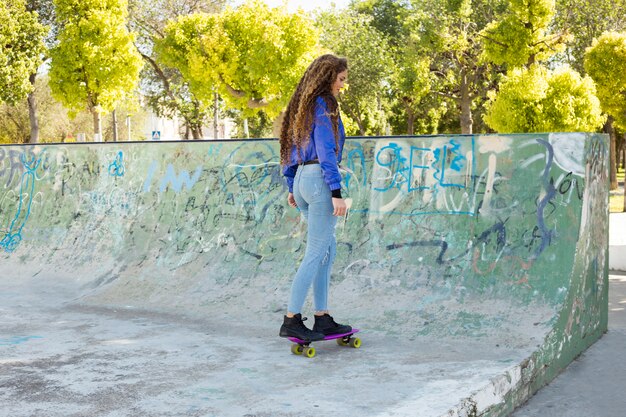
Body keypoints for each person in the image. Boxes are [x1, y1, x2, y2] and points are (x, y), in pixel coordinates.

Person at [278, 54, 352, 342]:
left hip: (301, 181)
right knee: (316, 252)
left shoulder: (302, 107)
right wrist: (336, 192)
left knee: (326, 251)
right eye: (341, 79)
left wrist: (291, 185)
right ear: (328, 78)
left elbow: (288, 150)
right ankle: (292, 318)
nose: (343, 86)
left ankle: (322, 318)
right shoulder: (324, 105)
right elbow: (326, 149)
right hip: (319, 182)